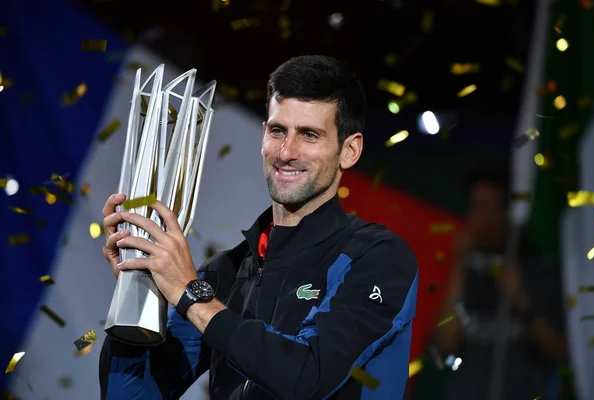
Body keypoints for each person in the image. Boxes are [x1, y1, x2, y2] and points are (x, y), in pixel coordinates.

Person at [99, 55, 419, 400]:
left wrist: (190, 294)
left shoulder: (379, 259)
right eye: (278, 130)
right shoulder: (225, 273)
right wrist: (136, 295)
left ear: (349, 150)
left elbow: (307, 378)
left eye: (309, 135)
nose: (286, 151)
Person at [435, 162, 567, 400]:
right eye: (476, 207)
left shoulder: (538, 268)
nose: (482, 218)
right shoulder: (462, 270)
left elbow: (559, 351)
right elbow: (446, 342)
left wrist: (521, 300)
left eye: (490, 207)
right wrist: (459, 267)